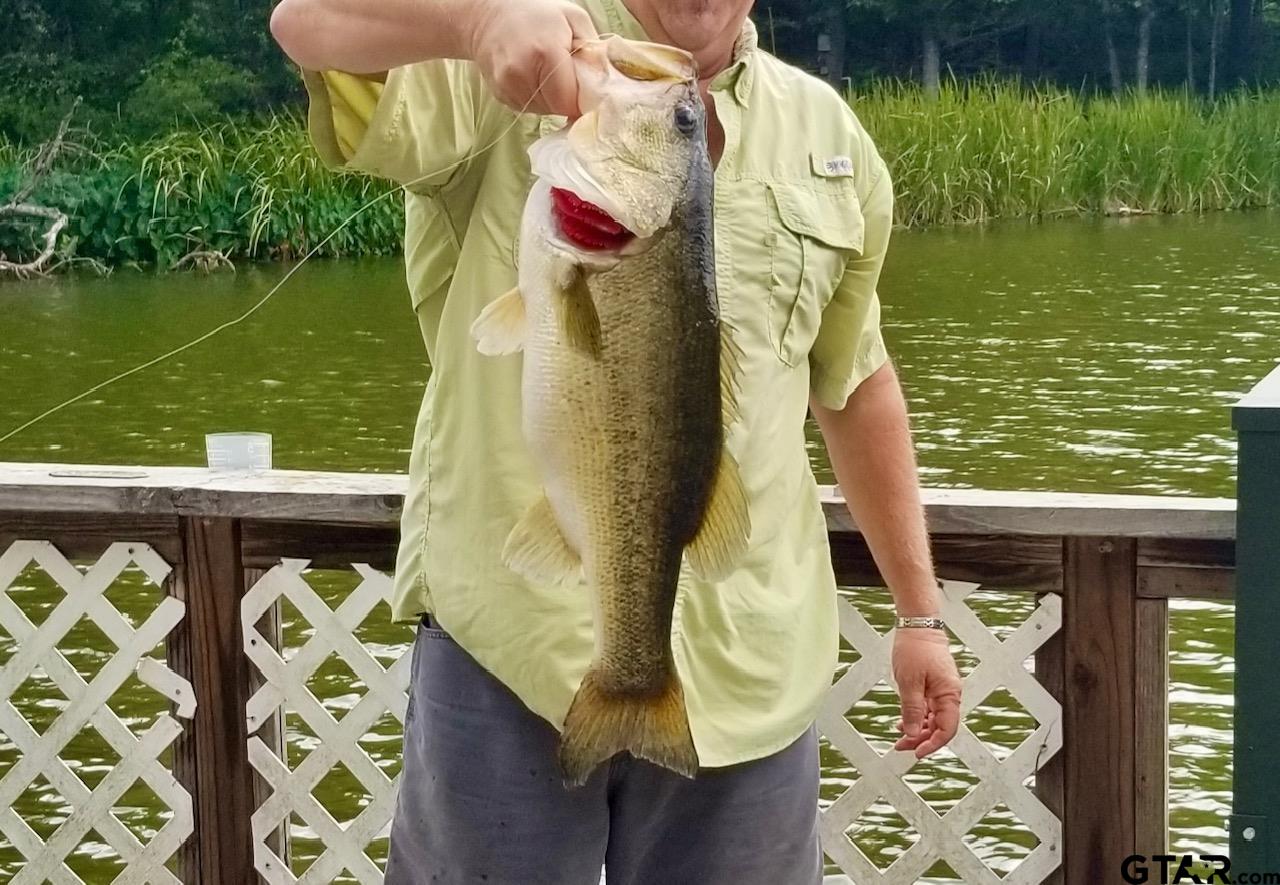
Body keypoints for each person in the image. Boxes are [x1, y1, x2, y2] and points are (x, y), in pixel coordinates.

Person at [271, 1, 963, 882]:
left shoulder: (829, 134)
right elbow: (304, 21)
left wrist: (919, 614)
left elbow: (856, 380)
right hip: (510, 651)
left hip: (754, 670)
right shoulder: (518, 52)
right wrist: (473, 24)